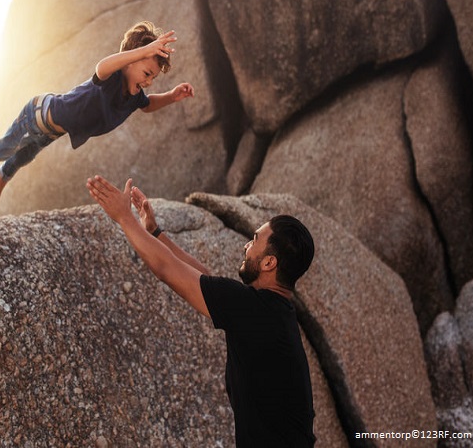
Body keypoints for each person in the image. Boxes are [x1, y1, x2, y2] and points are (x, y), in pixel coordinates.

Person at [86, 175, 316, 447]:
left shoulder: (255, 310)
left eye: (254, 240)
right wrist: (154, 232)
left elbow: (167, 269)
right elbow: (205, 279)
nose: (246, 246)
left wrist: (124, 218)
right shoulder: (271, 310)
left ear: (269, 262)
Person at [0, 21, 195, 219]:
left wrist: (172, 96)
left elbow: (149, 104)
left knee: (23, 157)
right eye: (146, 74)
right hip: (37, 113)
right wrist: (144, 50)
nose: (148, 82)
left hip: (50, 131)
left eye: (152, 77)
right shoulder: (111, 78)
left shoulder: (133, 98)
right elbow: (103, 66)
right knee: (6, 147)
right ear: (129, 62)